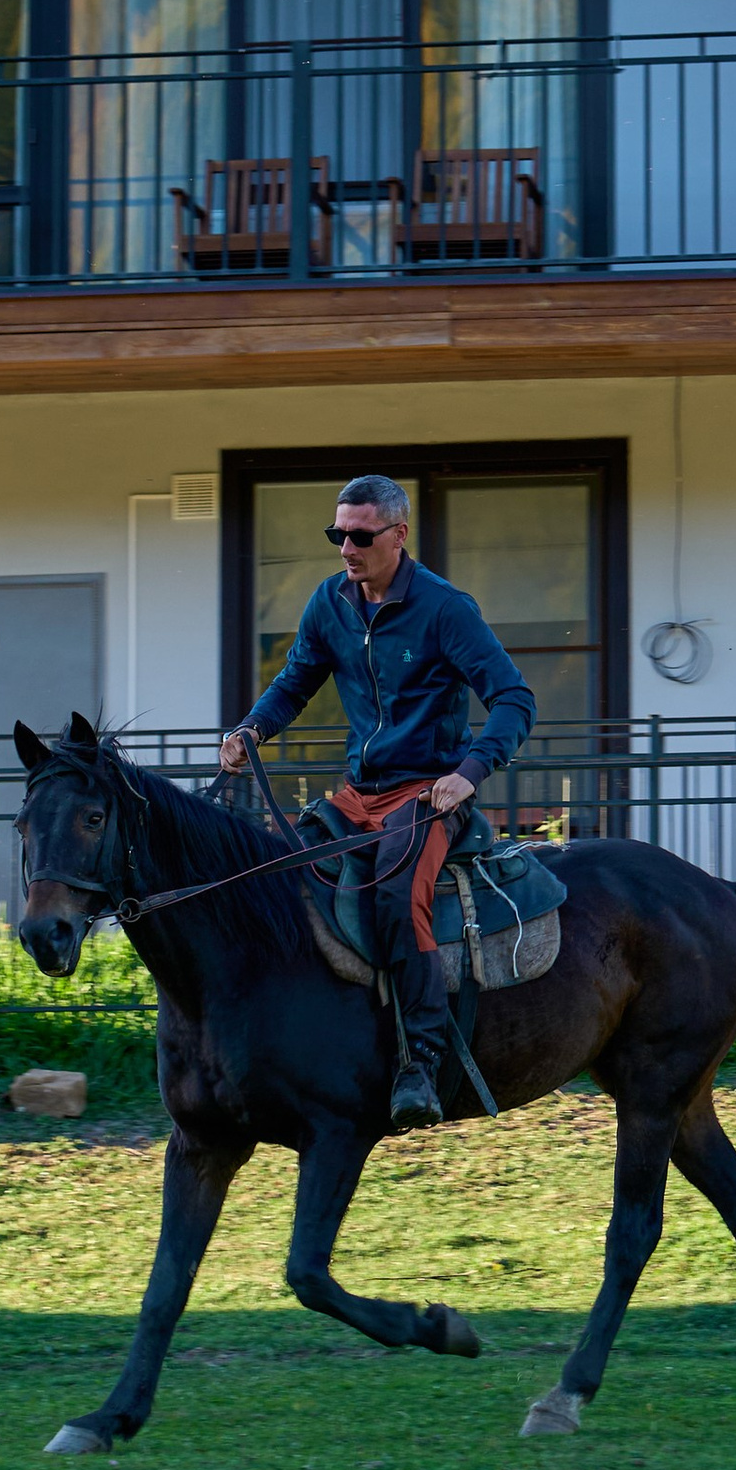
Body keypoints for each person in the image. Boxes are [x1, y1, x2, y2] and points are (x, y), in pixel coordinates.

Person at [221, 474, 534, 1125]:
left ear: (398, 534)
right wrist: (251, 729)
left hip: (429, 793)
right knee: (287, 875)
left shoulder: (447, 609)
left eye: (360, 536)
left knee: (397, 893)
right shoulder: (327, 605)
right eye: (338, 534)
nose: (346, 548)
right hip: (359, 794)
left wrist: (470, 774)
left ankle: (419, 1061)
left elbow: (514, 699)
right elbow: (293, 683)